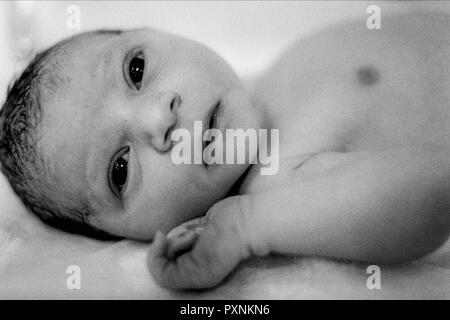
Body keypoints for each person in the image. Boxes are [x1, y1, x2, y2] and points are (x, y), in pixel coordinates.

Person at [0, 12, 449, 290]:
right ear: (133, 234)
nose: (160, 118)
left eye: (136, 69)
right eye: (120, 169)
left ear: (153, 32)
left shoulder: (258, 84)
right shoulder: (279, 183)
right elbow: (432, 194)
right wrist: (248, 227)